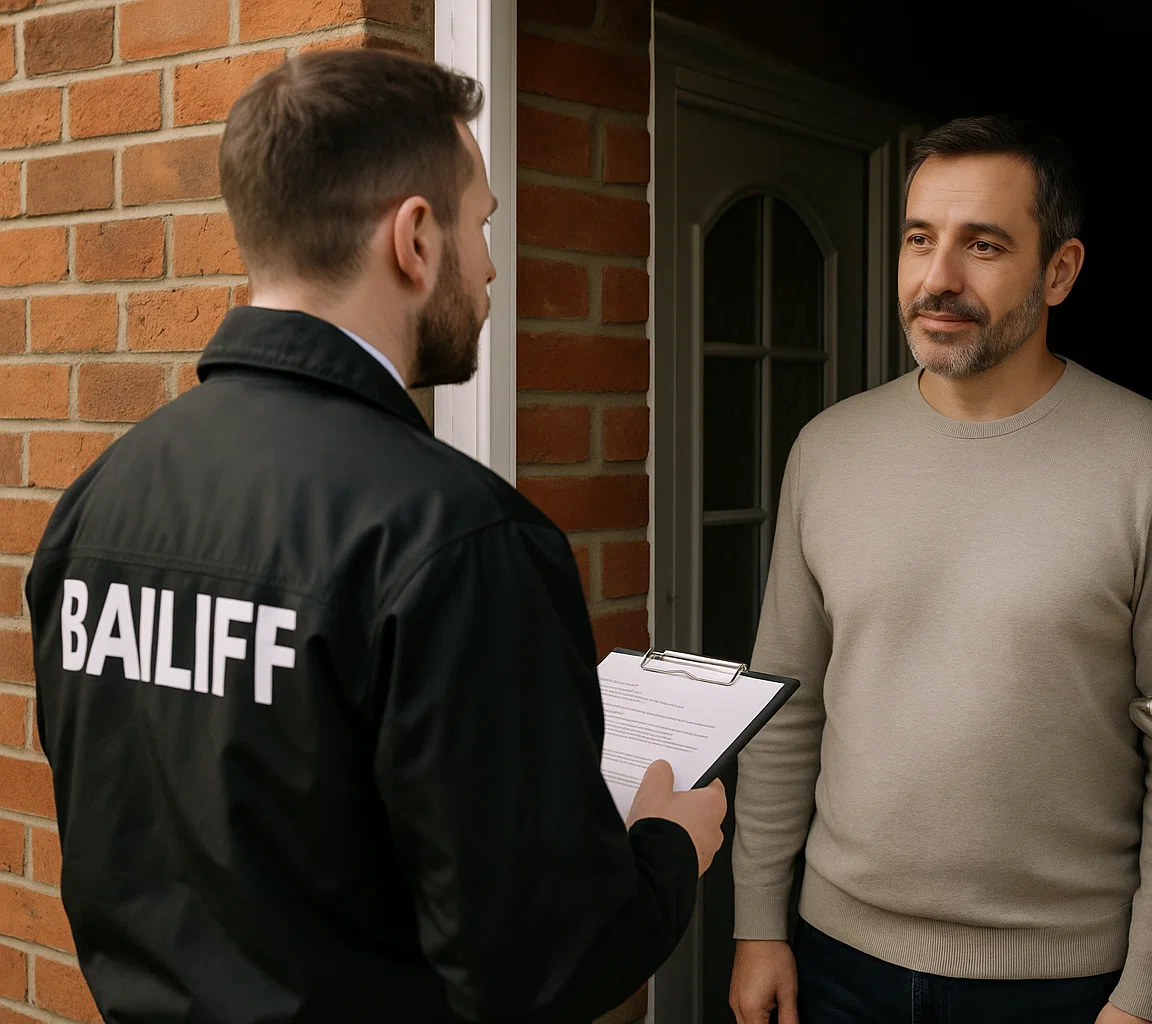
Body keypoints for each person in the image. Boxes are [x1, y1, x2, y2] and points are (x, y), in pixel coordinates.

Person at [26, 50, 725, 1024]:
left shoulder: (97, 502)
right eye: (481, 224)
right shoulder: (462, 538)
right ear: (414, 238)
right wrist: (665, 847)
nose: (488, 265)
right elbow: (540, 964)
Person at [727, 115, 1152, 1024]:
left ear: (1061, 271)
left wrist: (1148, 989)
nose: (938, 279)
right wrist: (757, 924)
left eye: (983, 245)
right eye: (920, 239)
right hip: (836, 962)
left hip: (1069, 986)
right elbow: (783, 703)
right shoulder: (829, 451)